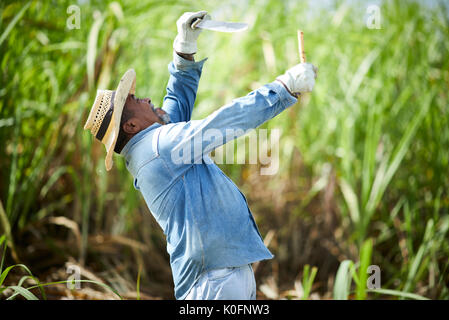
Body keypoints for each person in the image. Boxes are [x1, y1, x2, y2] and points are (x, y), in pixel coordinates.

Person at [84, 11, 317, 300]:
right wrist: (283, 88)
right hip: (214, 283)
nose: (146, 98)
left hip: (219, 278)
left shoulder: (151, 146)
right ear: (131, 125)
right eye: (135, 100)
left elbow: (173, 111)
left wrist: (184, 48)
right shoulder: (158, 147)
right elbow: (222, 124)